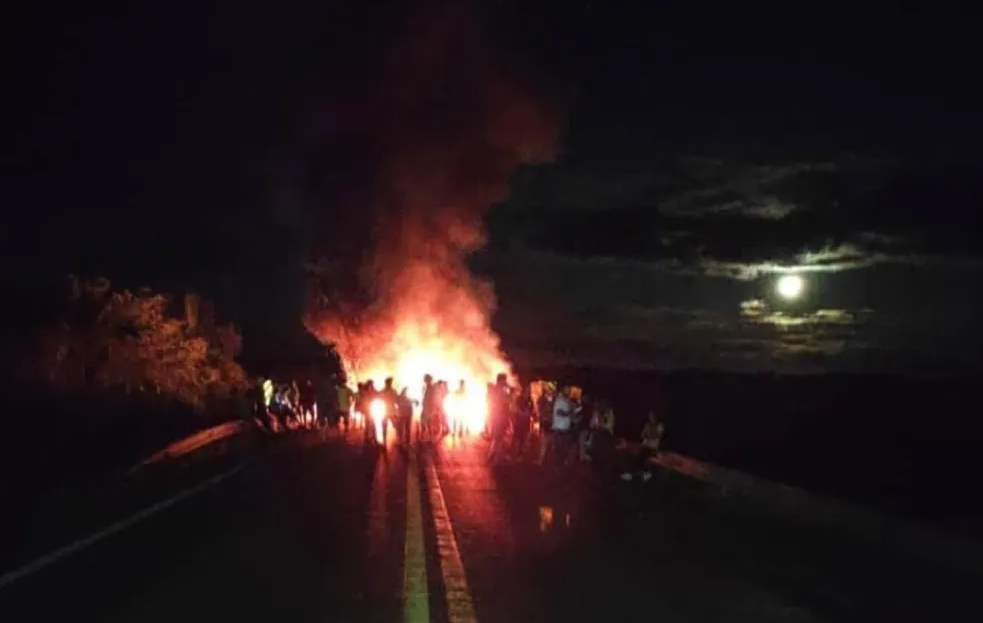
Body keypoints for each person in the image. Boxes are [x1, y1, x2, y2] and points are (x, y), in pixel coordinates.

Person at [621, 411, 665, 482]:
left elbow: (659, 435)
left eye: (653, 416)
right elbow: (642, 435)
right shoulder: (647, 425)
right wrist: (645, 434)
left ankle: (637, 474)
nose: (652, 418)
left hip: (652, 447)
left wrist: (650, 433)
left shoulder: (660, 425)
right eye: (650, 416)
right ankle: (635, 473)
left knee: (643, 455)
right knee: (633, 451)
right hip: (645, 445)